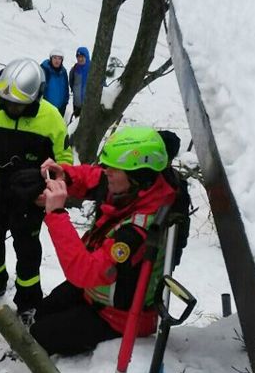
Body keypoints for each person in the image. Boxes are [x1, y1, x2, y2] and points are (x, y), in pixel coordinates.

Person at [29, 126, 176, 356]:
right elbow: (94, 177)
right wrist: (64, 175)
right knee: (43, 311)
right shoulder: (133, 187)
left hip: (119, 317)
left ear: (138, 176)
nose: (106, 172)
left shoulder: (137, 232)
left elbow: (84, 271)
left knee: (41, 334)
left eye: (113, 169)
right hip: (96, 293)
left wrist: (57, 214)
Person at [0, 58, 73, 316]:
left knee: (27, 249)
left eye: (18, 104)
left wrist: (48, 187)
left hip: (29, 196)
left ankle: (29, 300)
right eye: (7, 101)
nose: (10, 107)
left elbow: (65, 162)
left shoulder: (51, 118)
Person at [40, 49, 69, 116]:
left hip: (60, 109)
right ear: (51, 59)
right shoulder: (44, 70)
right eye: (54, 58)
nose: (57, 60)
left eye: (59, 58)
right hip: (46, 109)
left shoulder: (63, 72)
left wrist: (64, 104)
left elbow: (66, 89)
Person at [68, 46, 91, 118]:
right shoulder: (74, 69)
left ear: (86, 57)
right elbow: (71, 82)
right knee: (77, 125)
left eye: (82, 57)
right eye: (78, 57)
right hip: (77, 104)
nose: (80, 59)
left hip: (89, 105)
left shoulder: (93, 68)